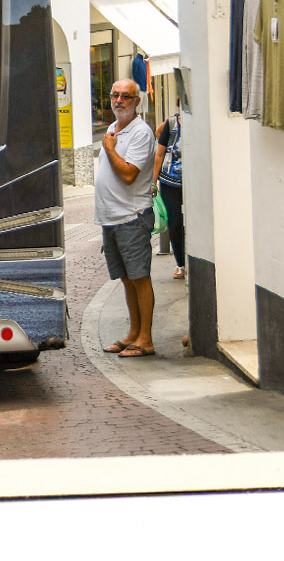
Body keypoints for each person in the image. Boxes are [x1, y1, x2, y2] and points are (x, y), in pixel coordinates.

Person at [95, 78, 158, 358]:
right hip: (111, 218)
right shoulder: (112, 128)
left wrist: (109, 149)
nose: (119, 101)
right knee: (126, 279)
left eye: (126, 97)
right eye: (115, 95)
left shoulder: (141, 133)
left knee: (140, 277)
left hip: (131, 216)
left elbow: (129, 174)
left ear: (137, 101)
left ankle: (146, 339)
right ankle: (133, 333)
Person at [152, 106, 186, 280]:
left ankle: (189, 259)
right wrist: (153, 181)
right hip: (170, 181)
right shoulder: (171, 123)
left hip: (192, 182)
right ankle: (181, 264)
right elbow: (159, 154)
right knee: (174, 223)